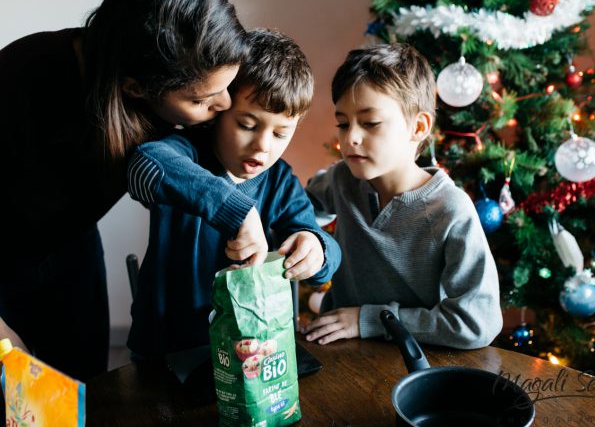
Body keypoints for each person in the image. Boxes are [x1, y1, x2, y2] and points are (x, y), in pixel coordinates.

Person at [0, 0, 248, 426]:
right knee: (16, 415)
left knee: (83, 404)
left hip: (69, 247)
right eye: (205, 100)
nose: (223, 106)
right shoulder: (23, 79)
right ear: (134, 88)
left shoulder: (177, 90)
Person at [125, 29, 341, 358]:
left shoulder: (280, 182)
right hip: (166, 347)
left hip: (250, 351)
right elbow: (144, 165)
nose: (263, 146)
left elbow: (315, 241)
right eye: (247, 125)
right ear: (219, 110)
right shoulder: (187, 153)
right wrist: (235, 209)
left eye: (281, 132)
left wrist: (317, 248)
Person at [302, 44, 502, 350]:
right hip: (336, 353)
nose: (350, 137)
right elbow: (295, 213)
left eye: (370, 123)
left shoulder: (450, 209)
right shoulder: (341, 179)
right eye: (343, 124)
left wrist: (370, 320)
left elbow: (476, 324)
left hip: (416, 362)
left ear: (418, 126)